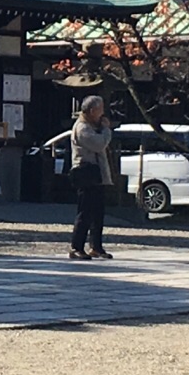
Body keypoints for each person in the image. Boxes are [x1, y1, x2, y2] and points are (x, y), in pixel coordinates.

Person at [69, 94, 115, 260]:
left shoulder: (93, 126)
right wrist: (106, 129)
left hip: (96, 174)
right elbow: (99, 144)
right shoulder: (82, 127)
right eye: (100, 109)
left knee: (98, 212)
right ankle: (76, 247)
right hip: (86, 173)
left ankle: (96, 246)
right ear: (92, 110)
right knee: (85, 212)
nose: (102, 112)